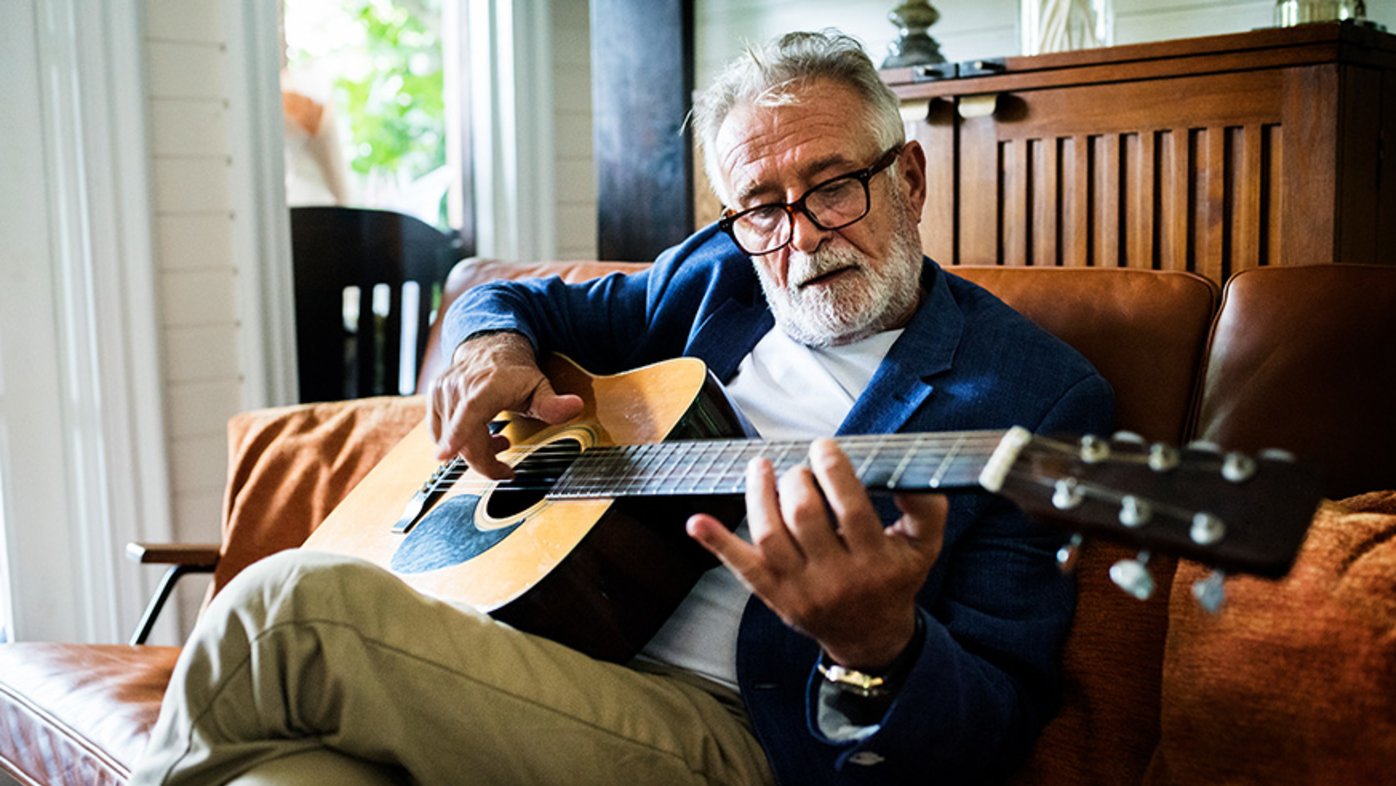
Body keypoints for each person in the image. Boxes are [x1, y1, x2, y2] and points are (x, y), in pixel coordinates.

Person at [132, 30, 1113, 786]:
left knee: (287, 608)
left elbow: (991, 725)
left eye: (835, 187)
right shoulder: (713, 279)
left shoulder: (1033, 398)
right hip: (540, 651)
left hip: (736, 730)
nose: (799, 236)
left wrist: (876, 646)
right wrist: (488, 345)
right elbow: (519, 300)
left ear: (906, 177)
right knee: (282, 774)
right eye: (760, 205)